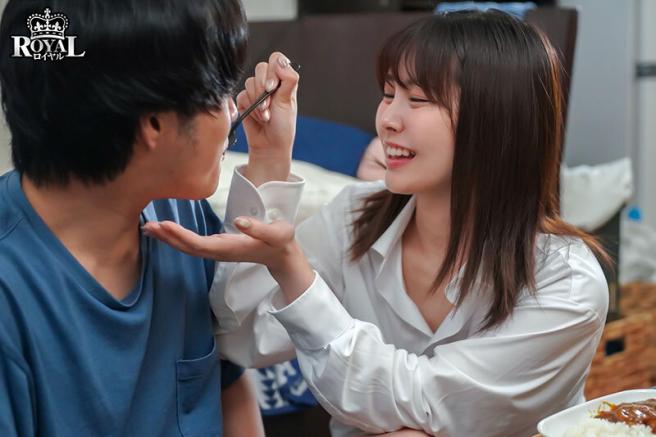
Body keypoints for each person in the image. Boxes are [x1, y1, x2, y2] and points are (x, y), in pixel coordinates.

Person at [144, 10, 609, 437]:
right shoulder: (356, 215)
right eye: (389, 94)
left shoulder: (566, 284)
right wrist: (269, 158)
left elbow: (430, 405)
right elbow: (241, 334)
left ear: (498, 123)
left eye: (418, 99)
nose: (387, 119)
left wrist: (294, 272)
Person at [0, 0, 299, 435]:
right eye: (219, 93)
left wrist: (270, 159)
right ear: (154, 124)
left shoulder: (179, 211)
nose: (234, 110)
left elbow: (228, 381)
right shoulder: (12, 294)